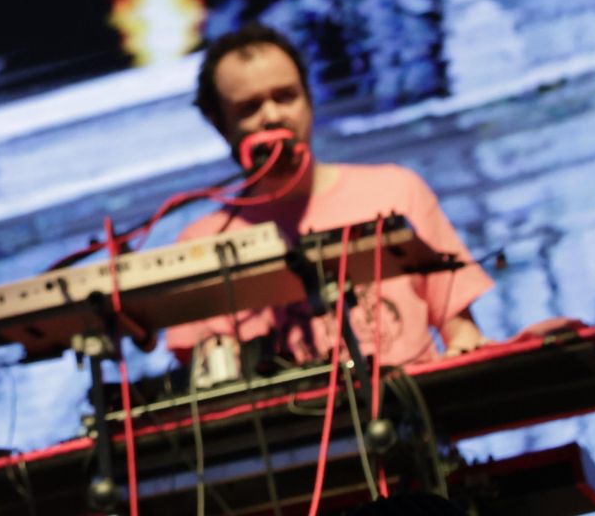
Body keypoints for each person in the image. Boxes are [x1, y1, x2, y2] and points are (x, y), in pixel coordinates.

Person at [164, 24, 492, 379]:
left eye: (285, 96)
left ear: (309, 100)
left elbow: (461, 332)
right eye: (249, 107)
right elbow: (211, 389)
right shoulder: (203, 243)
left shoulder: (396, 190)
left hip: (412, 420)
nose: (272, 116)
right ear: (219, 123)